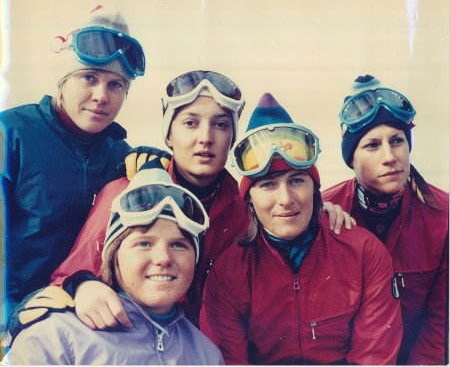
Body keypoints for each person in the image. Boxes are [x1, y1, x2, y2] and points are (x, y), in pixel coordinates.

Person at [9, 71, 352, 341]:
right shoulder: (127, 192)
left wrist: (324, 211)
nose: (206, 137)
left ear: (232, 139)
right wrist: (83, 286)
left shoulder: (244, 208)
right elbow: (64, 279)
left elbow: (287, 220)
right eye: (190, 122)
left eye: (220, 124)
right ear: (169, 134)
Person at [200, 92, 403, 365]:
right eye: (268, 184)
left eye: (296, 181)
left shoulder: (364, 252)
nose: (285, 199)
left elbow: (375, 357)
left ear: (315, 191)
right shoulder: (228, 273)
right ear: (249, 201)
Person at [0, 4, 146, 314]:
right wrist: (8, 317)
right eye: (89, 77)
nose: (101, 96)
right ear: (63, 82)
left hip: (80, 309)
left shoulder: (121, 155)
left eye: (116, 84)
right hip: (17, 315)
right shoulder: (11, 133)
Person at [5, 161, 224, 365]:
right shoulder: (55, 336)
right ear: (114, 257)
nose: (163, 258)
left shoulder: (207, 355)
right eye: (144, 244)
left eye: (178, 245)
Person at [321, 75, 449, 365]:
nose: (390, 156)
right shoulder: (322, 212)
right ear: (350, 158)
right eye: (372, 145)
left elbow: (441, 324)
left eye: (397, 141)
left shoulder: (444, 217)